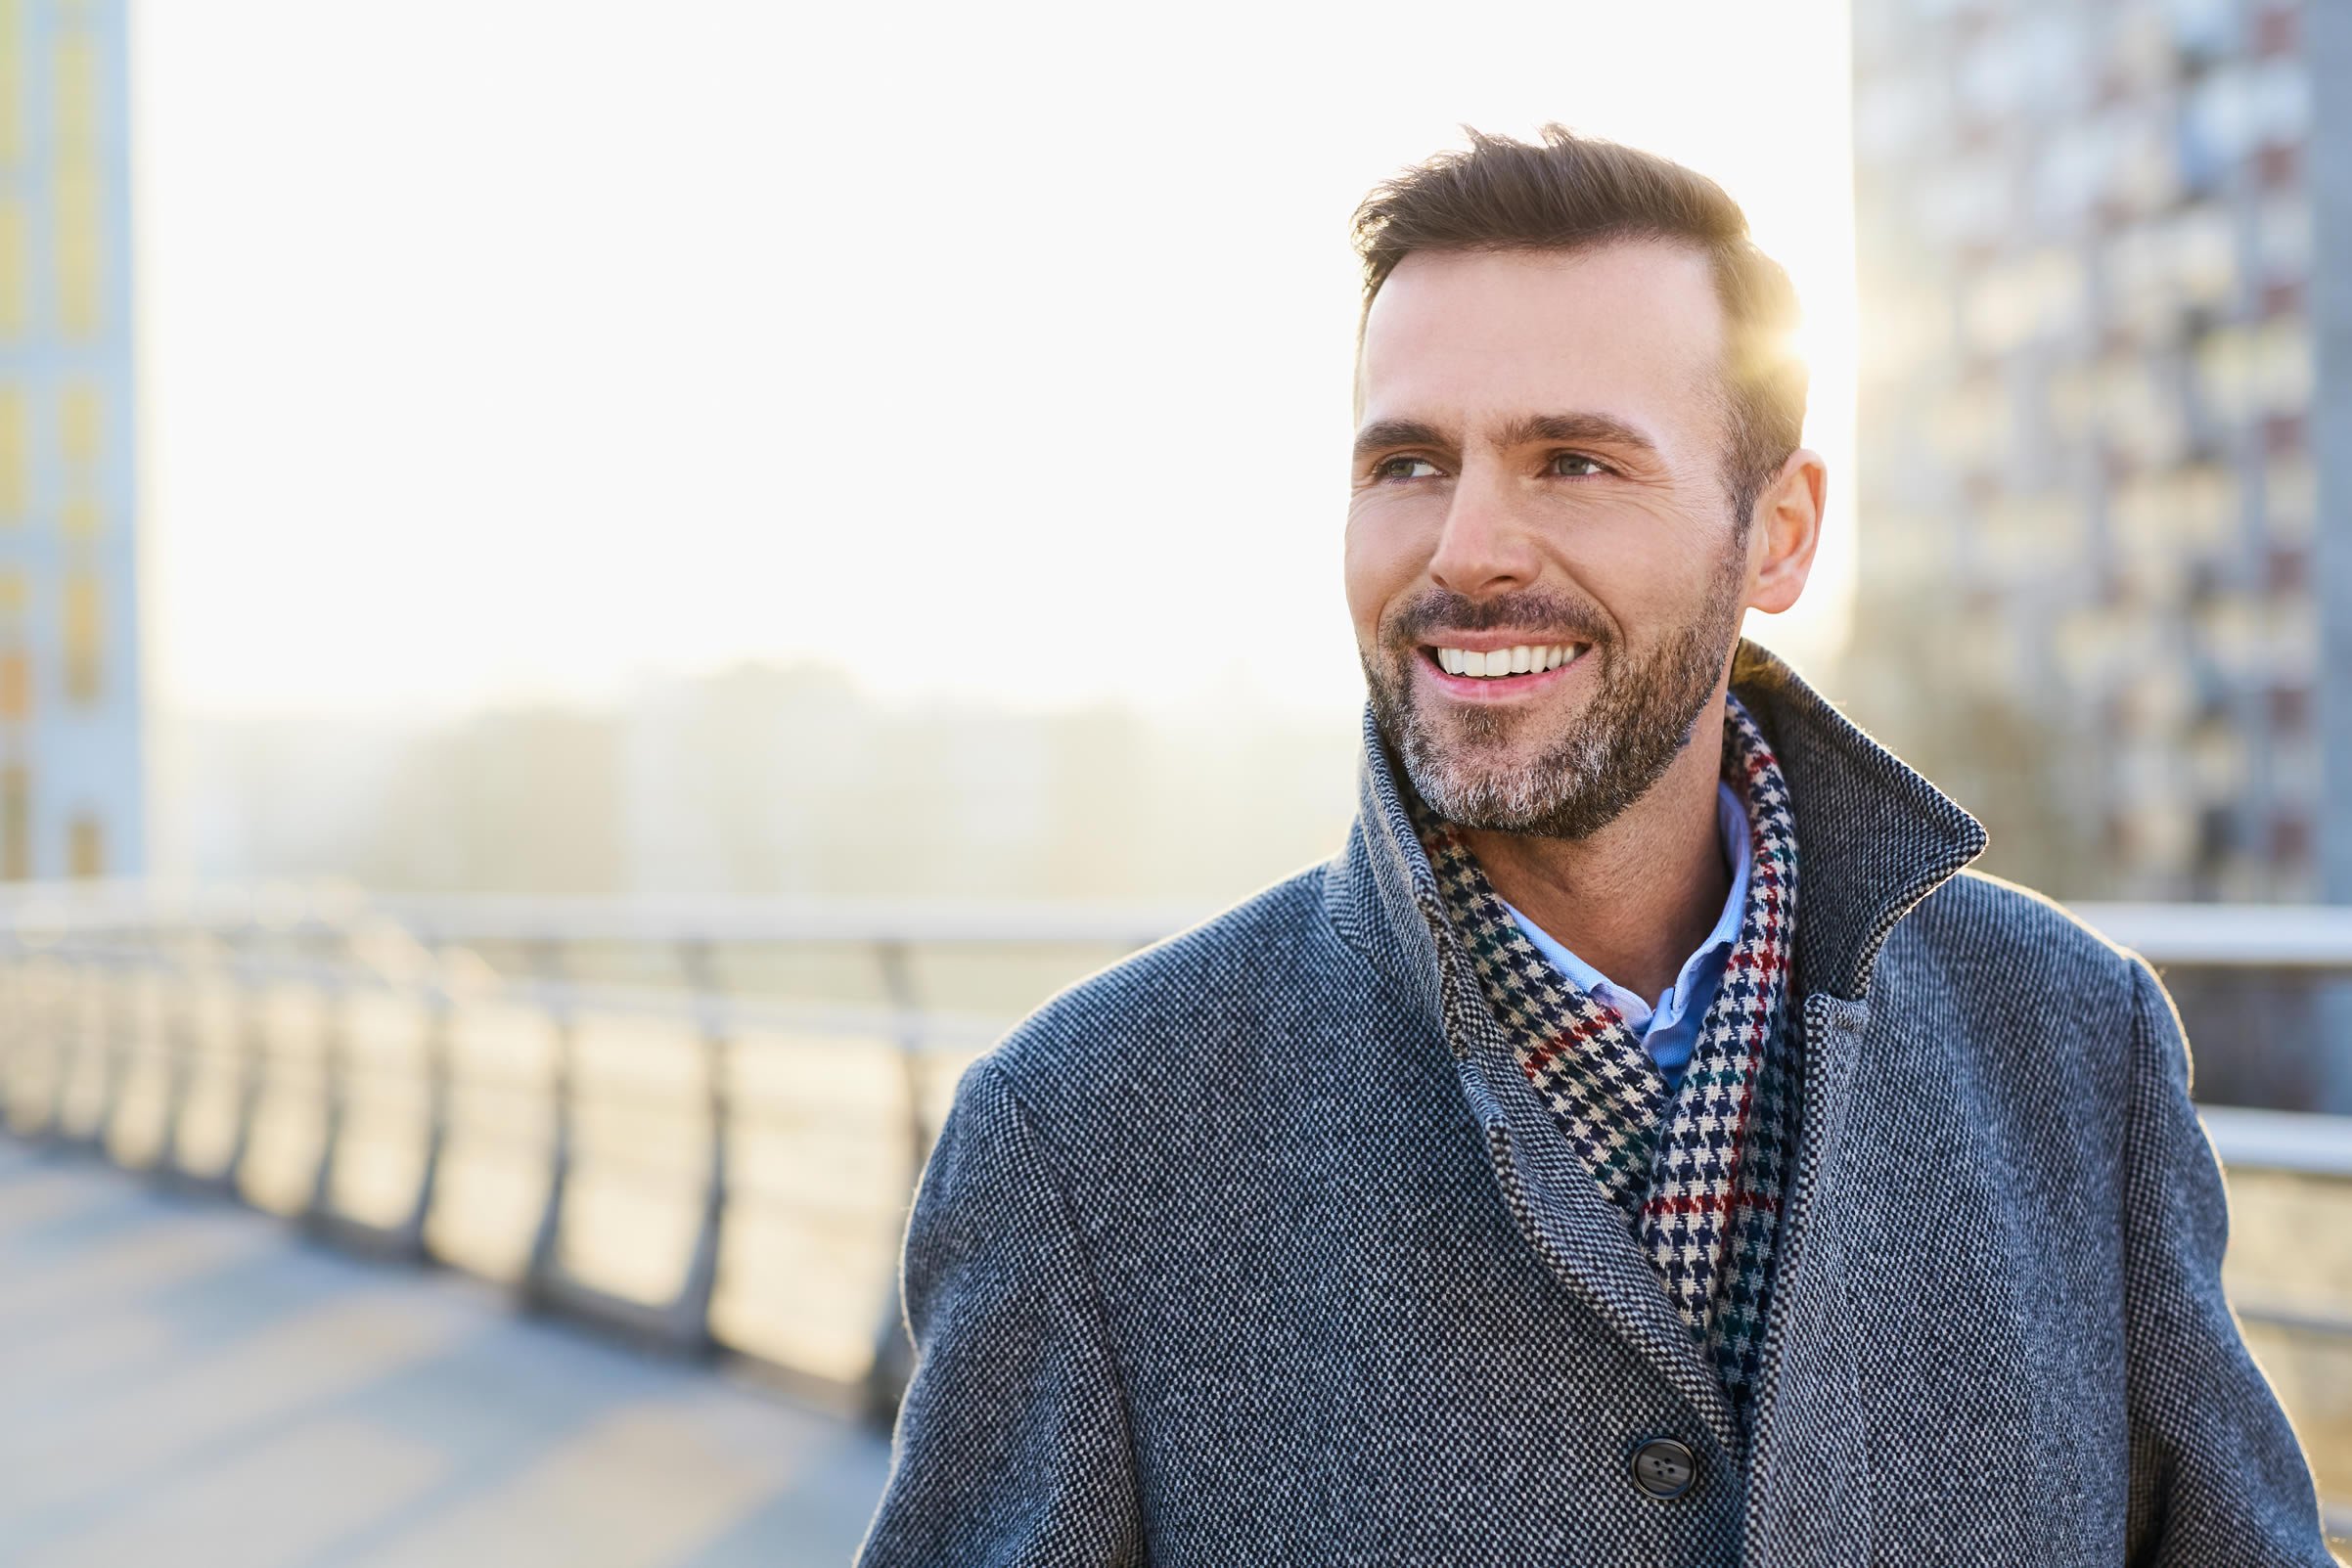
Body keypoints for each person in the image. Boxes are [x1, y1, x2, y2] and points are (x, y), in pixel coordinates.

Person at [857, 126, 2334, 1565]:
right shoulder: (1080, 1142)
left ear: (1779, 535)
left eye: (1573, 462)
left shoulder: (2078, 1049)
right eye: (1410, 463)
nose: (1467, 549)